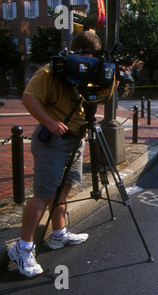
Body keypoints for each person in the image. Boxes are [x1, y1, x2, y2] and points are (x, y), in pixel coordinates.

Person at [8, 31, 107, 278]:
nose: (88, 62)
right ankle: (22, 248)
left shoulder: (90, 73)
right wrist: (50, 122)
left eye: (93, 58)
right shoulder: (50, 72)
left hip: (76, 138)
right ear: (75, 53)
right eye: (85, 56)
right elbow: (29, 99)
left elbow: (101, 95)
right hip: (53, 141)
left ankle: (58, 234)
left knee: (64, 189)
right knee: (43, 194)